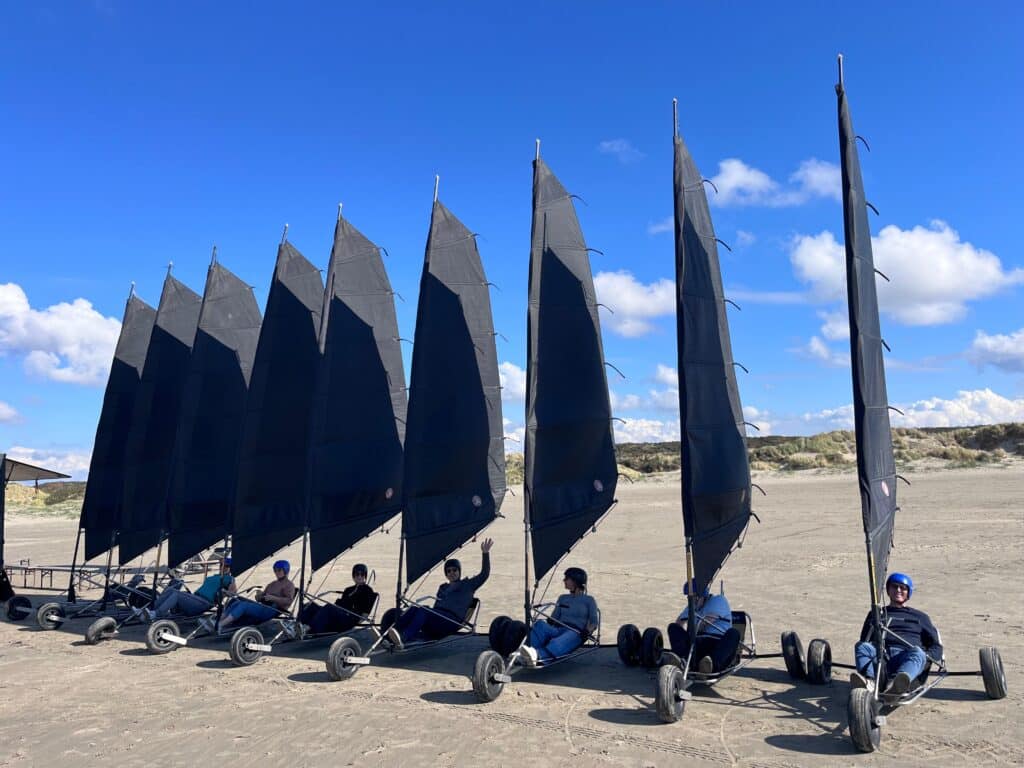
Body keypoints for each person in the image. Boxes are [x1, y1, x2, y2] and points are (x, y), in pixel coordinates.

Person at [386, 538, 493, 649]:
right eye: (449, 571)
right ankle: (392, 636)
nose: (452, 573)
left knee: (424, 610)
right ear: (446, 574)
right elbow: (437, 607)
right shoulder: (443, 587)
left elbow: (484, 574)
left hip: (451, 621)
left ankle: (404, 638)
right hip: (438, 619)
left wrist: (485, 553)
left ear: (459, 571)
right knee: (414, 609)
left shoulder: (468, 585)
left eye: (455, 570)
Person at [850, 572, 943, 695]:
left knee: (918, 652)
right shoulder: (877, 614)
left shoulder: (920, 617)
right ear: (888, 590)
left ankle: (896, 684)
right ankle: (870, 681)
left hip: (907, 657)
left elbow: (936, 647)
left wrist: (925, 658)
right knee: (862, 646)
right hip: (882, 658)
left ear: (908, 592)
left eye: (903, 588)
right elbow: (865, 640)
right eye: (894, 587)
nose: (898, 590)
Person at [519, 567, 598, 665]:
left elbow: (594, 621)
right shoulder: (563, 598)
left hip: (576, 632)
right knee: (540, 624)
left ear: (575, 581)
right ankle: (526, 651)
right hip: (558, 629)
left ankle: (538, 655)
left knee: (560, 640)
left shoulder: (589, 600)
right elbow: (554, 618)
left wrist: (587, 631)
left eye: (566, 578)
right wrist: (550, 620)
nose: (564, 580)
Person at [666, 582, 740, 674]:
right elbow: (678, 624)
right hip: (696, 645)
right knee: (673, 627)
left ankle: (710, 665)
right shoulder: (692, 605)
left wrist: (692, 620)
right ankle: (682, 660)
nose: (693, 600)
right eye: (689, 597)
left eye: (695, 597)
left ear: (703, 595)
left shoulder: (718, 600)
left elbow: (705, 623)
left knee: (734, 633)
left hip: (715, 643)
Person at [297, 563, 378, 635]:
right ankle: (297, 626)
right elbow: (341, 604)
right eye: (357, 574)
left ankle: (308, 628)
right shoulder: (348, 589)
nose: (359, 576)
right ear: (353, 576)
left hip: (350, 618)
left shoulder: (368, 591)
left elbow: (365, 613)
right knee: (310, 606)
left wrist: (355, 623)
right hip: (340, 614)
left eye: (362, 574)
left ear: (365, 576)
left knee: (329, 608)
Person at [148, 558, 236, 619]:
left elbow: (233, 593)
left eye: (226, 566)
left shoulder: (229, 579)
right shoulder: (215, 576)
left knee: (176, 594)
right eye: (221, 565)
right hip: (196, 598)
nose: (223, 567)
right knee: (171, 590)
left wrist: (226, 590)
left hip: (204, 602)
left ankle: (156, 614)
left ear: (230, 568)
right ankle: (150, 610)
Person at [219, 559, 296, 630]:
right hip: (263, 606)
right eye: (275, 570)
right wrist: (259, 596)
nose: (276, 572)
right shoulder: (272, 584)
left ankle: (221, 624)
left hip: (273, 609)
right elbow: (260, 598)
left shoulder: (289, 585)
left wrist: (273, 598)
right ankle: (219, 620)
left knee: (243, 605)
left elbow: (289, 601)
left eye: (279, 570)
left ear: (285, 570)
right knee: (236, 601)